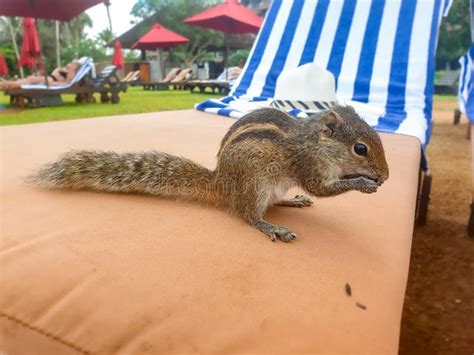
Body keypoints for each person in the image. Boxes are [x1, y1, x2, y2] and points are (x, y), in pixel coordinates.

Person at [0, 60, 81, 91]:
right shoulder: (61, 68)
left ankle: (7, 83)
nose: (69, 64)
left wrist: (55, 83)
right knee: (30, 79)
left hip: (51, 80)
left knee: (31, 79)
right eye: (70, 63)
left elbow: (66, 82)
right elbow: (53, 73)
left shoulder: (72, 72)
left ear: (74, 66)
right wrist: (59, 70)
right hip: (50, 77)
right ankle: (7, 84)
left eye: (71, 64)